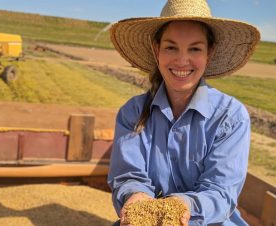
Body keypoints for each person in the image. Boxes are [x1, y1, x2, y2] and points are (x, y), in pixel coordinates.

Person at [107, 0, 260, 225]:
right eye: (171, 47)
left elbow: (220, 191)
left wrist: (182, 206)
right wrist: (135, 196)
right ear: (156, 49)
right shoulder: (133, 112)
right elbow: (128, 177)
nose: (181, 60)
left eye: (195, 48)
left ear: (210, 52)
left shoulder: (230, 117)